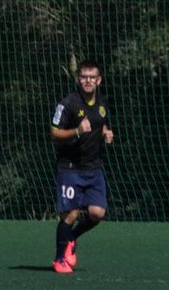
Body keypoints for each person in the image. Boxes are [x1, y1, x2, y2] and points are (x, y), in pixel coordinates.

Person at [49, 59, 114, 274]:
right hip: (70, 168)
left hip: (93, 169)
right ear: (78, 80)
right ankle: (59, 259)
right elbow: (54, 133)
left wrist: (105, 132)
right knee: (70, 214)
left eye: (92, 77)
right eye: (84, 77)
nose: (88, 81)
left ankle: (71, 239)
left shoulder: (103, 103)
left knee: (97, 213)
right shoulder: (68, 104)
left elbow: (100, 122)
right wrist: (77, 131)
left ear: (99, 80)